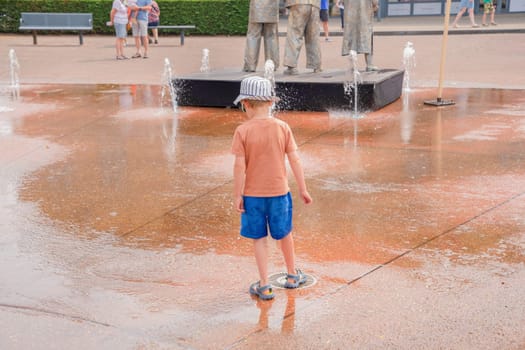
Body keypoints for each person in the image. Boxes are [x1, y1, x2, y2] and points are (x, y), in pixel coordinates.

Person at [231, 76, 313, 301]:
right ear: (270, 103)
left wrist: (237, 195)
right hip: (279, 194)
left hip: (253, 197)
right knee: (284, 233)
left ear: (246, 103)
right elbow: (295, 160)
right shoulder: (282, 127)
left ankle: (265, 285)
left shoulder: (243, 131)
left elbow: (239, 167)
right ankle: (291, 275)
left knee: (259, 238)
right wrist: (303, 189)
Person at [283, 0, 323, 75]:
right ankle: (316, 65)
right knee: (313, 35)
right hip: (315, 4)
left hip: (298, 3)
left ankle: (291, 66)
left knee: (294, 34)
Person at [242, 0, 280, 72]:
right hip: (272, 6)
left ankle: (250, 65)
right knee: (271, 36)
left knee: (253, 35)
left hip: (256, 5)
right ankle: (271, 65)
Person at [341, 0, 379, 71]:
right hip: (364, 12)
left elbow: (342, 2)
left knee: (352, 36)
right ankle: (369, 64)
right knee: (367, 36)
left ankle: (352, 65)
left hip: (351, 13)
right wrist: (375, 4)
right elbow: (375, 2)